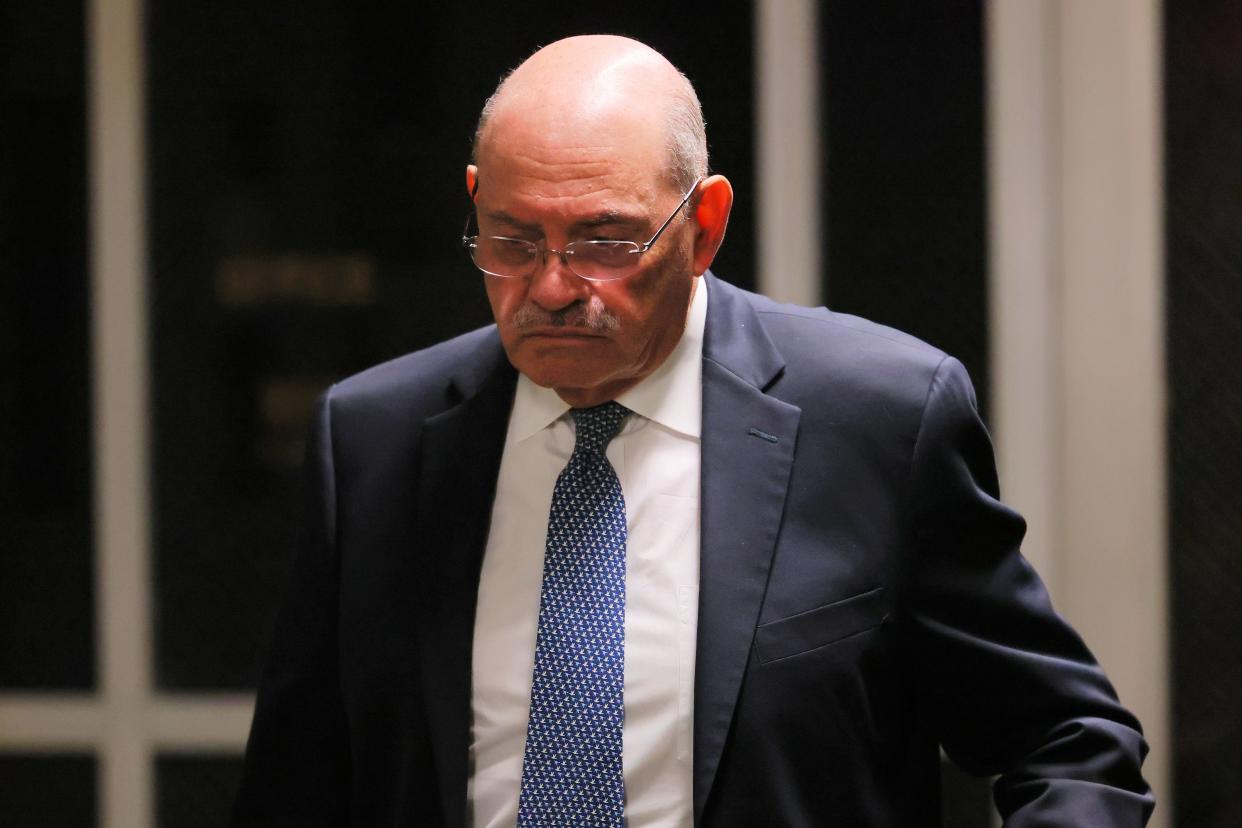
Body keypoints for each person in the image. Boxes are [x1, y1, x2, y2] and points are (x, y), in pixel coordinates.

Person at [233, 35, 1153, 827]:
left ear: (705, 226)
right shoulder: (374, 442)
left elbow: (1069, 741)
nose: (551, 285)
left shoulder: (878, 419)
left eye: (604, 241)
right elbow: (295, 789)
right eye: (511, 239)